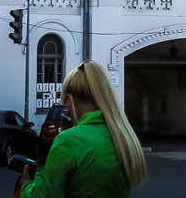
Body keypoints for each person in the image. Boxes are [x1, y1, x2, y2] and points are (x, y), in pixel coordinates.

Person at [19, 60, 146, 198]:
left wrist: (25, 185)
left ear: (70, 99)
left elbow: (45, 195)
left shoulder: (67, 140)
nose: (65, 110)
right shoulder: (124, 138)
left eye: (65, 105)